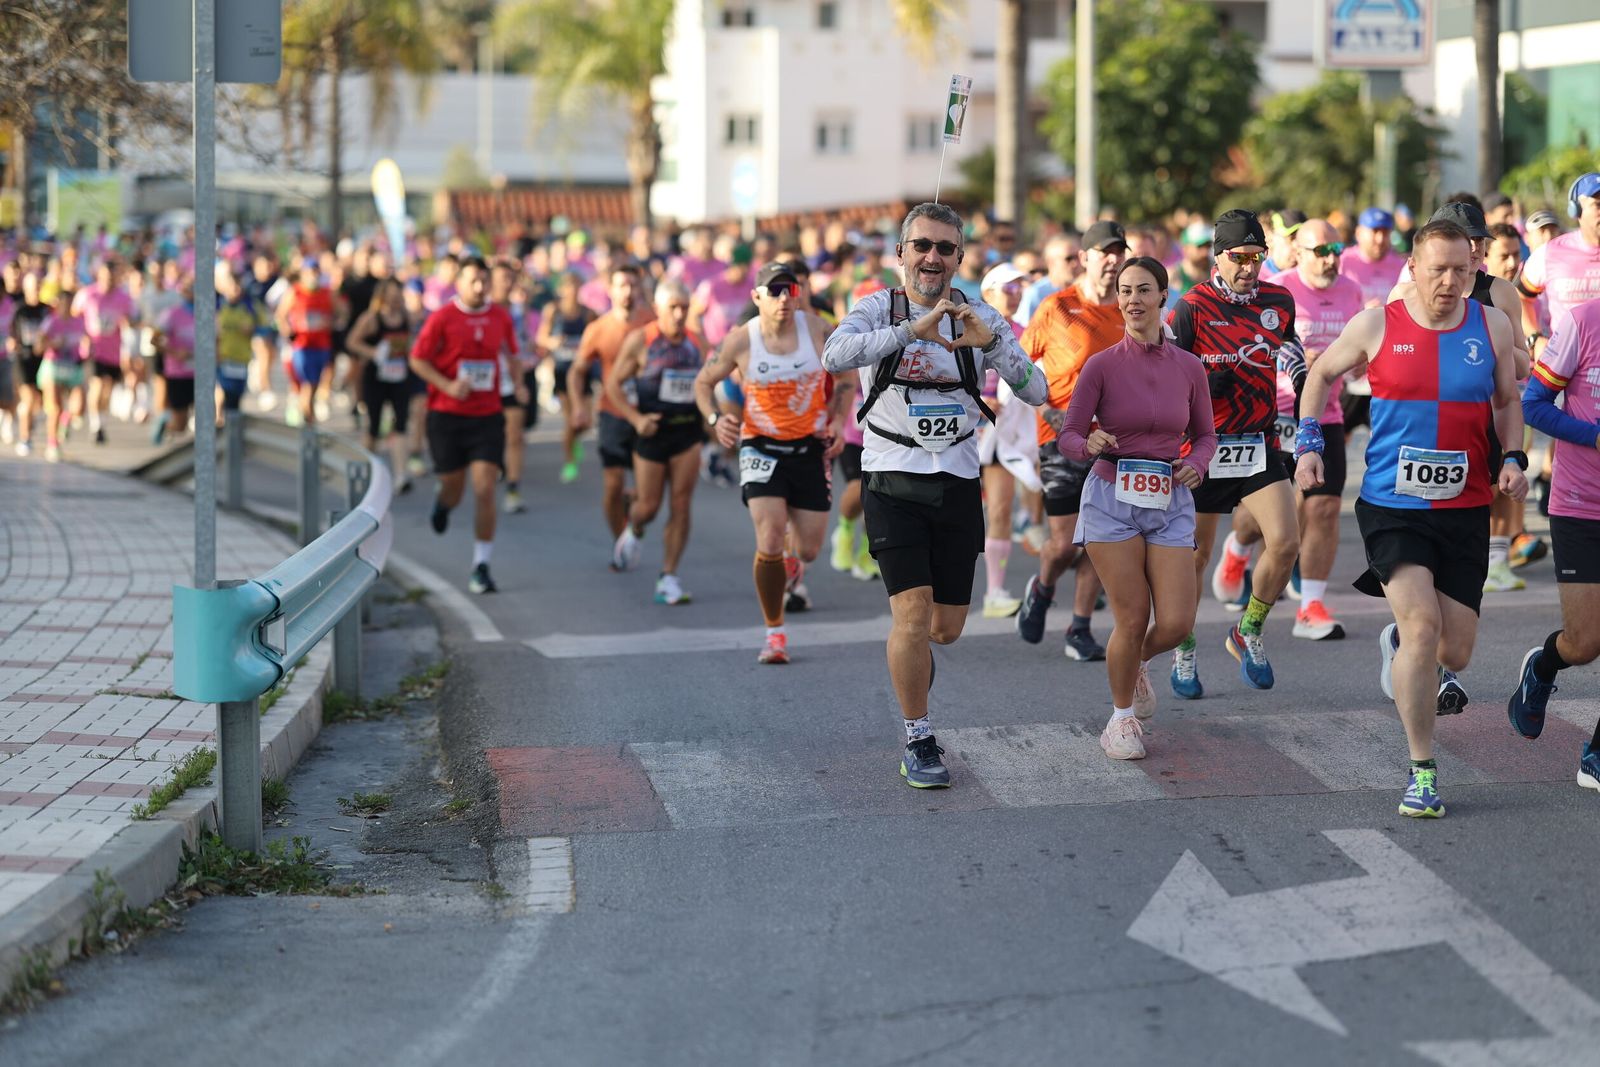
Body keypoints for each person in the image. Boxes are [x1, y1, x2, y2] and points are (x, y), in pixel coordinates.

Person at [1295, 219, 1527, 818]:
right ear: (1414, 270)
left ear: (1475, 270)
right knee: (1425, 628)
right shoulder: (1377, 324)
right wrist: (1308, 444)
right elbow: (1320, 375)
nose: (1450, 281)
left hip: (1467, 505)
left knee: (1457, 654)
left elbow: (1506, 402)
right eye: (1438, 270)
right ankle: (1421, 771)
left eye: (1462, 270)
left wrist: (1515, 457)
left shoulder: (1492, 325)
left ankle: (1399, 644)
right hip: (1393, 505)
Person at [821, 203, 1049, 789]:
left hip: (956, 482)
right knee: (912, 613)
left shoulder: (978, 315)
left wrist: (992, 342)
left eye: (945, 248)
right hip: (892, 479)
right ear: (901, 252)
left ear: (959, 258)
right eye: (921, 245)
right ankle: (919, 736)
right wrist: (908, 332)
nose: (932, 257)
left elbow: (1038, 389)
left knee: (944, 629)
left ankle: (914, 672)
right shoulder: (878, 308)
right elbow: (832, 356)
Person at [1060, 257, 1216, 760]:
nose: (1131, 300)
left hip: (1170, 499)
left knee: (1175, 623)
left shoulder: (1189, 367)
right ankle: (1121, 719)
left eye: (1143, 290)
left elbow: (1207, 436)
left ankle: (1138, 663)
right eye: (1125, 291)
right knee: (1132, 617)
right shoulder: (1102, 365)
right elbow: (1068, 435)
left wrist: (1200, 463)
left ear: (1162, 297)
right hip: (1111, 499)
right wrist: (1089, 443)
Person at [1169, 209, 1302, 696]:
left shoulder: (1277, 298)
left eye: (1257, 257)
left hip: (1257, 440)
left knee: (1286, 543)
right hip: (1202, 446)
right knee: (1194, 560)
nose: (1249, 267)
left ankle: (1247, 631)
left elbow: (1289, 347)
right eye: (1239, 257)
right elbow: (1163, 374)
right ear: (1217, 257)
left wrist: (1305, 376)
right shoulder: (1191, 307)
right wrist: (1200, 383)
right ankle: (1184, 650)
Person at [697, 261, 854, 664]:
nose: (785, 299)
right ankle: (775, 633)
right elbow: (704, 382)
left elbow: (848, 376)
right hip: (760, 448)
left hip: (810, 448)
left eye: (790, 291)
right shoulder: (740, 340)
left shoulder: (819, 331)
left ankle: (792, 564)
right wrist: (717, 419)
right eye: (775, 291)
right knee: (769, 537)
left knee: (808, 549)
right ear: (757, 298)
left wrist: (837, 419)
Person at [1234, 218, 1364, 639]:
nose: (1331, 259)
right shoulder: (1276, 289)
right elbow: (1248, 349)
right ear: (1299, 252)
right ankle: (1237, 550)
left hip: (1324, 415)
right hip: (1273, 416)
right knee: (1264, 517)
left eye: (1336, 249)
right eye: (1321, 252)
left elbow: (1361, 354)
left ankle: (1310, 605)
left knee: (1323, 507)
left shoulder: (1352, 291)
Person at [1015, 221, 1129, 661]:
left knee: (1100, 538)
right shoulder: (1057, 307)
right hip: (1061, 437)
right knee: (1064, 543)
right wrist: (1047, 412)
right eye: (1105, 252)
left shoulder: (1130, 309)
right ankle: (1042, 587)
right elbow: (1020, 367)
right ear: (1085, 258)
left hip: (1115, 441)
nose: (1113, 260)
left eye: (1120, 251)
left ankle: (1079, 628)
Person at [1507, 294, 1600, 793]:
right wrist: (1594, 435)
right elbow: (1534, 406)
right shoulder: (1584, 321)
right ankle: (1543, 665)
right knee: (1585, 643)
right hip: (1583, 504)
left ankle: (1596, 756)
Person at [408, 257, 529, 594]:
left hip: (487, 414)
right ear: (458, 283)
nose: (480, 287)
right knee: (454, 487)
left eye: (484, 281)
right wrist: (446, 386)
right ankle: (443, 502)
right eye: (473, 280)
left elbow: (513, 354)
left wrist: (518, 383)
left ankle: (481, 565)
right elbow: (417, 359)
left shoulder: (499, 316)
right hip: (446, 415)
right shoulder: (443, 317)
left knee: (485, 488)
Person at [605, 280, 708, 605]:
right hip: (652, 431)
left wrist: (713, 419)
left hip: (687, 432)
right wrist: (636, 420)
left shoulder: (697, 342)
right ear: (659, 308)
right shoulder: (641, 340)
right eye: (673, 308)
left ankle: (669, 576)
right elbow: (613, 385)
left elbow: (709, 382)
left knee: (680, 503)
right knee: (649, 507)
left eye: (684, 308)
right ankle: (634, 526)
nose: (679, 314)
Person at [568, 264, 656, 558]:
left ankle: (635, 515)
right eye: (622, 285)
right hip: (612, 413)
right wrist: (579, 406)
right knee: (613, 485)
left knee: (648, 495)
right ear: (610, 290)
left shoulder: (653, 324)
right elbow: (577, 372)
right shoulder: (598, 328)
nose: (628, 292)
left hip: (646, 415)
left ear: (641, 289)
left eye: (633, 285)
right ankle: (622, 543)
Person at [976, 261, 1029, 616]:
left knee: (999, 509)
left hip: (1001, 431)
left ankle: (994, 592)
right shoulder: (968, 327)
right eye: (1008, 289)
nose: (1015, 294)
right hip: (962, 431)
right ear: (988, 293)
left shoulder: (1025, 330)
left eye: (1019, 289)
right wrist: (977, 401)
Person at [346, 277, 420, 490]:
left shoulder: (407, 318)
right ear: (383, 297)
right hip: (375, 378)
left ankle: (401, 475)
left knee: (401, 423)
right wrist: (373, 352)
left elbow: (415, 341)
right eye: (392, 297)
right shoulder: (372, 319)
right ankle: (363, 473)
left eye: (399, 297)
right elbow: (352, 341)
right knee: (374, 426)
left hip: (400, 376)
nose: (396, 301)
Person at [536, 273, 598, 484]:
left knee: (587, 420)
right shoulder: (553, 311)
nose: (572, 290)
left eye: (575, 286)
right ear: (561, 289)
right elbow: (541, 338)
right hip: (562, 370)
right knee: (571, 418)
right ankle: (570, 461)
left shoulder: (588, 313)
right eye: (568, 286)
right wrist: (553, 342)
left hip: (583, 371)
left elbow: (596, 338)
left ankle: (576, 440)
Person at [276, 260, 338, 426]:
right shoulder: (295, 292)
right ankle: (309, 424)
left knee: (314, 386)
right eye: (309, 272)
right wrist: (288, 331)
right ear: (303, 274)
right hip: (302, 346)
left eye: (316, 272)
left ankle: (307, 420)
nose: (313, 276)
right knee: (308, 385)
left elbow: (339, 314)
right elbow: (280, 315)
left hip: (322, 345)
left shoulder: (327, 293)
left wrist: (330, 322)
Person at [1341, 208, 1407, 308]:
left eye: (1385, 232)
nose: (1380, 239)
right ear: (1359, 233)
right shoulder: (1344, 261)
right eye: (1375, 231)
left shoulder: (1400, 265)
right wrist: (1361, 313)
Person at [1016, 232, 1082, 326]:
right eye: (1069, 258)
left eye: (1078, 257)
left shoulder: (1087, 291)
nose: (1075, 264)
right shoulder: (1036, 294)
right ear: (1050, 262)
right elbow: (1023, 333)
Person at [1167, 222, 1213, 307]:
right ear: (1186, 248)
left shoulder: (1218, 273)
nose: (1205, 252)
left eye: (1208, 246)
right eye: (1200, 246)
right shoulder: (1172, 276)